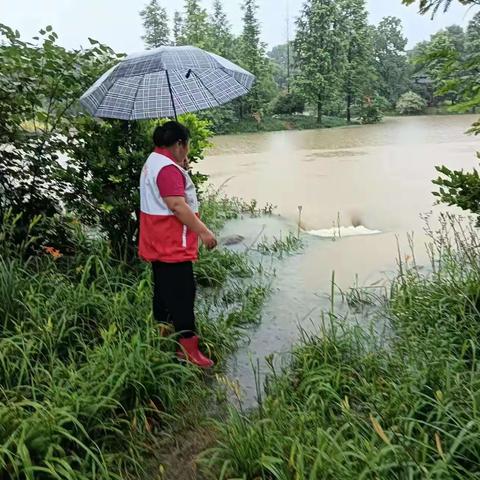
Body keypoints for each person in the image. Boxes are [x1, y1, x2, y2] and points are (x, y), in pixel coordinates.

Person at [139, 121, 217, 368]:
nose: (189, 150)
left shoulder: (154, 161)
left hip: (156, 241)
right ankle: (188, 351)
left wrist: (178, 166)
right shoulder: (167, 169)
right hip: (172, 244)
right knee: (183, 296)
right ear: (180, 144)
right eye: (187, 145)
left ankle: (162, 337)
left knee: (163, 293)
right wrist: (204, 232)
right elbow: (177, 206)